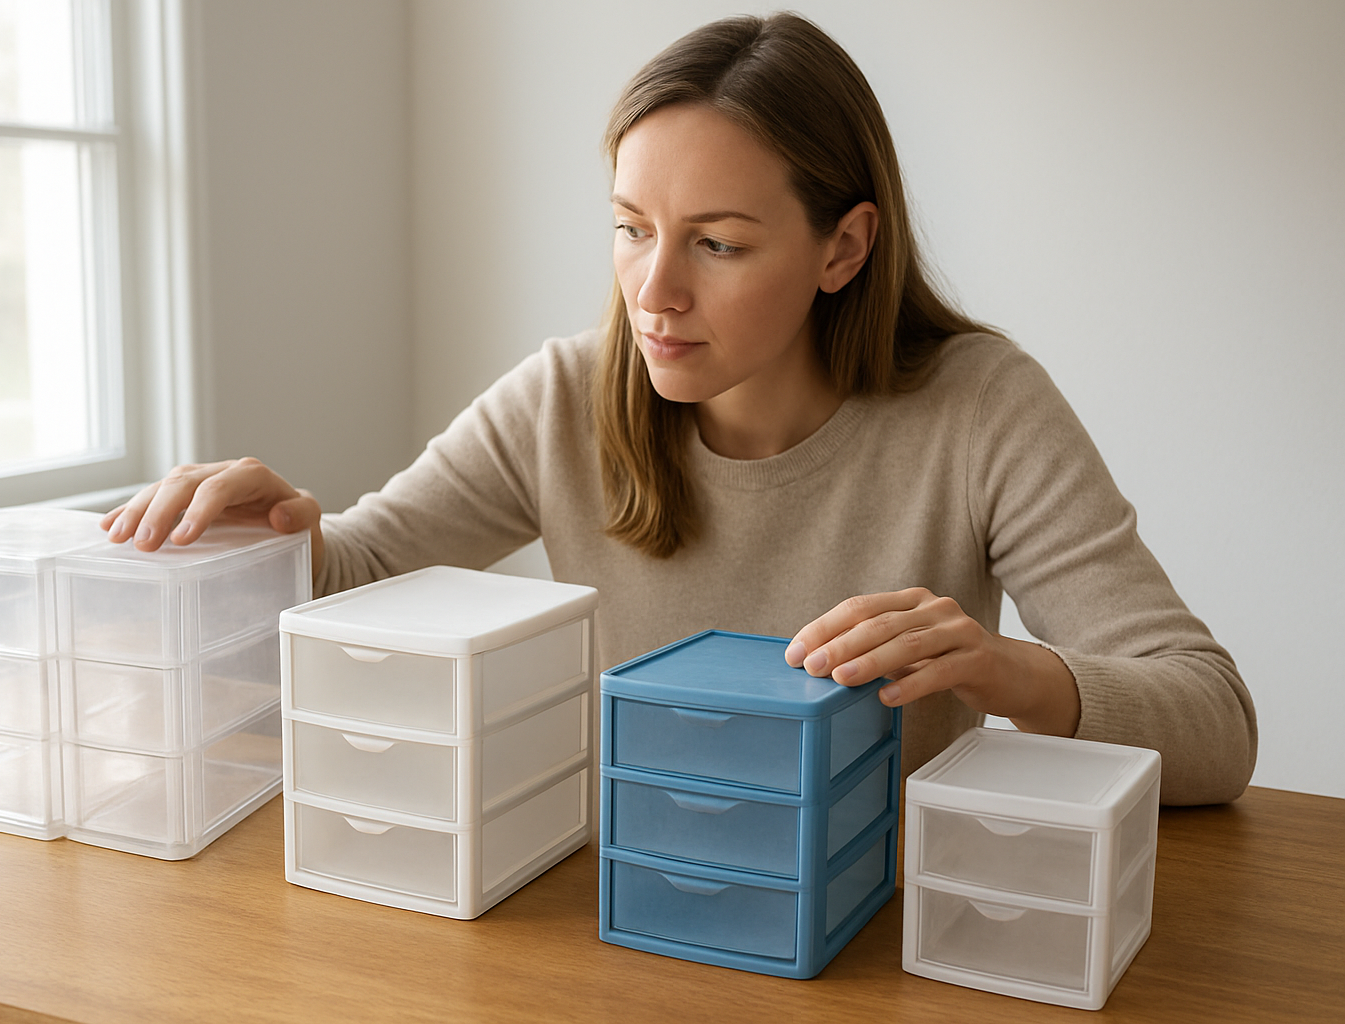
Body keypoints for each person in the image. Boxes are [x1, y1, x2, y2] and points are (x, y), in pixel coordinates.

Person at [102, 13, 1255, 804]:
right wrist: (271, 541)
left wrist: (1008, 673)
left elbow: (1217, 726)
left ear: (843, 247)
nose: (653, 293)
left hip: (871, 934)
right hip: (614, 905)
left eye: (717, 243)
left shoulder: (981, 409)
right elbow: (355, 574)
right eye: (632, 228)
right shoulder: (563, 397)